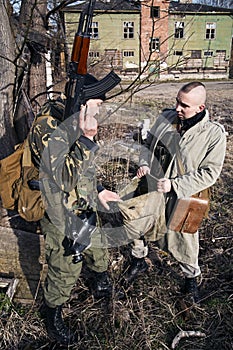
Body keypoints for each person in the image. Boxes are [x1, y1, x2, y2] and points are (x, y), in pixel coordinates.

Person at [29, 75, 121, 345]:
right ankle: (53, 311)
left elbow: (84, 169)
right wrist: (87, 140)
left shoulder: (75, 124)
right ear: (81, 104)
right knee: (65, 262)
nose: (99, 112)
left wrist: (100, 188)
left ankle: (100, 279)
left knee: (97, 245)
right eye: (96, 104)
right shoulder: (45, 127)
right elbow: (65, 177)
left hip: (83, 201)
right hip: (59, 208)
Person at [123, 81, 226, 302]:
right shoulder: (166, 118)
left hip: (186, 195)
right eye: (177, 101)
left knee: (185, 239)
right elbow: (147, 147)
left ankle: (191, 280)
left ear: (200, 108)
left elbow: (210, 173)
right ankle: (139, 259)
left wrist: (175, 185)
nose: (178, 108)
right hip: (153, 187)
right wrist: (144, 163)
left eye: (184, 105)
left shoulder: (213, 135)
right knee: (137, 220)